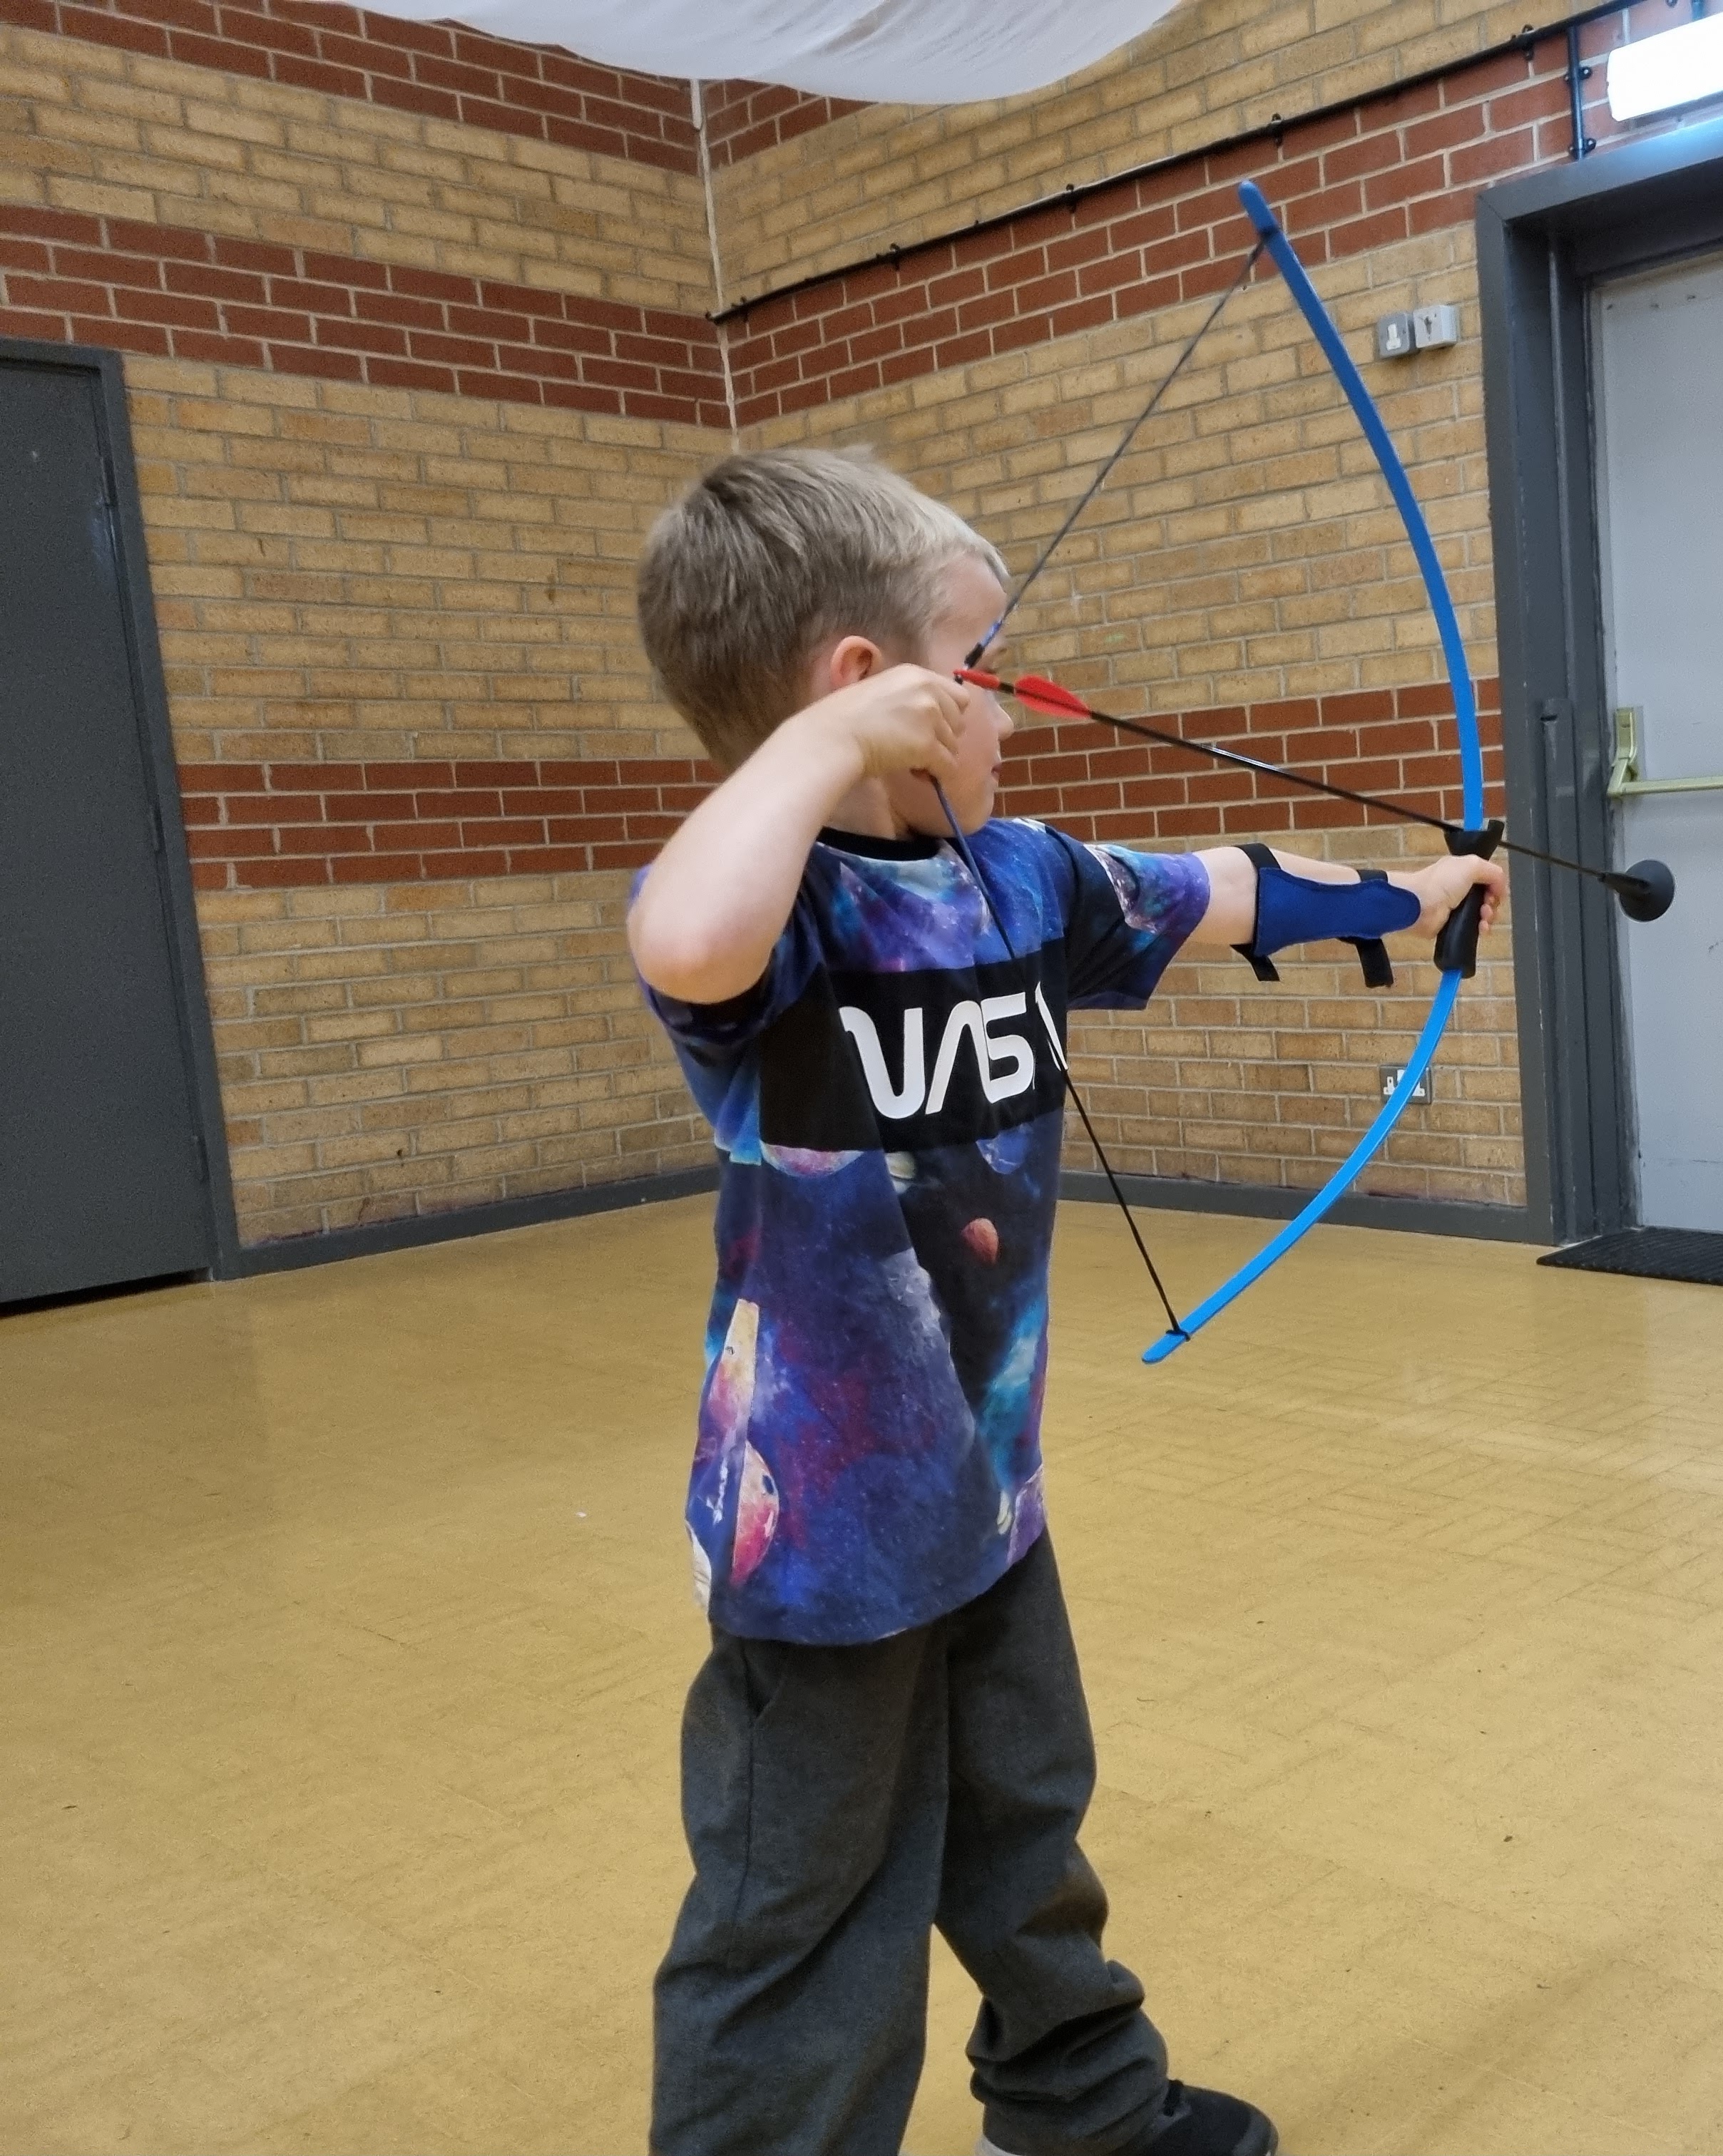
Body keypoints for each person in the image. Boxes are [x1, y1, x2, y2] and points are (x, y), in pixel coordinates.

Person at [625, 446, 1505, 2156]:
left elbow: (1216, 889)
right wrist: (821, 750)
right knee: (800, 1914)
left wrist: (1414, 895)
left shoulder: (1016, 878)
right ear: (871, 695)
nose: (1015, 702)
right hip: (816, 1544)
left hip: (989, 1499)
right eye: (986, 666)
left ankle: (1084, 2106)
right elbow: (687, 940)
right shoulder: (779, 916)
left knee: (1029, 1826)